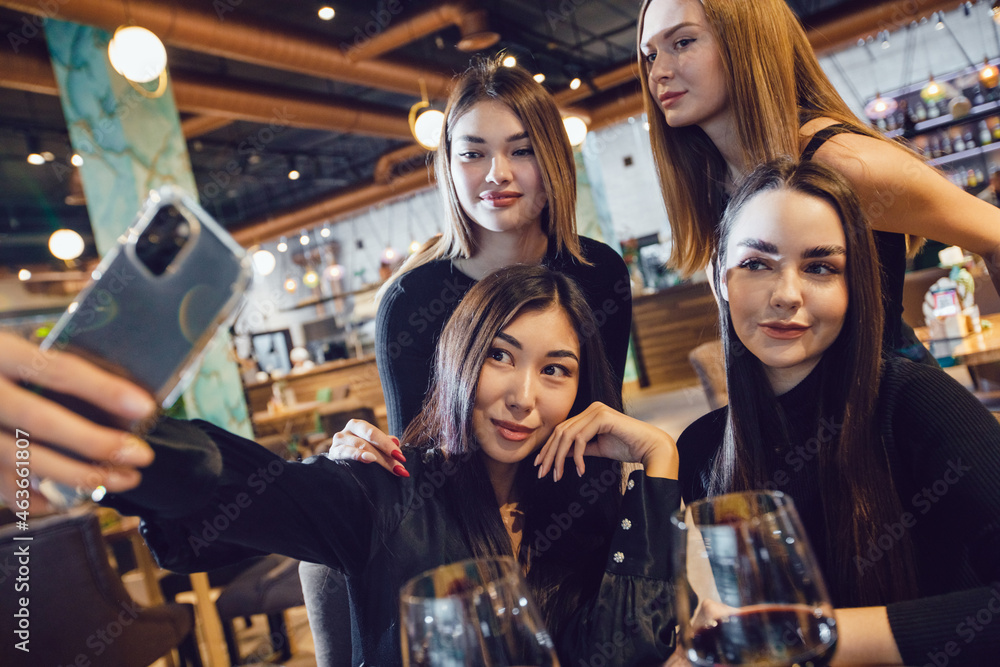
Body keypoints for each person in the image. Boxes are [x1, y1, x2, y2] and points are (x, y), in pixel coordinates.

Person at [0, 266, 678, 665]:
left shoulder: (584, 504)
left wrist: (657, 455)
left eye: (554, 369)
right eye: (500, 355)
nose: (523, 396)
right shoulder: (385, 488)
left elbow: (629, 648)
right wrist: (103, 433)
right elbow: (231, 481)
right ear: (457, 360)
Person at [674, 158, 1000, 665]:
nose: (786, 295)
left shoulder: (916, 403)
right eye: (757, 264)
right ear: (720, 279)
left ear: (855, 288)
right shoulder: (698, 448)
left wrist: (817, 638)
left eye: (820, 268)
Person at [636, 0, 1000, 363]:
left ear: (747, 42)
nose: (658, 72)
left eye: (683, 43)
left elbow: (994, 232)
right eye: (650, 55)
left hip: (896, 410)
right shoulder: (715, 182)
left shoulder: (840, 160)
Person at [371, 56, 631, 447]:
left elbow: (602, 422)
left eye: (522, 150)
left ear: (554, 158)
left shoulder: (598, 271)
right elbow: (414, 465)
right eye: (473, 154)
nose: (497, 174)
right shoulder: (411, 300)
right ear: (449, 168)